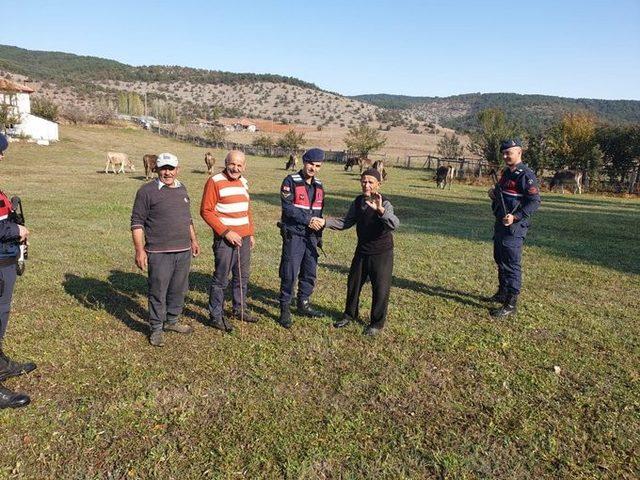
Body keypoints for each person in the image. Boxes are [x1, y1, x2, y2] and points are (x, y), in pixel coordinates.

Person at [131, 152, 201, 346]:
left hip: (183, 250)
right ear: (156, 169)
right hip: (158, 252)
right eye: (164, 168)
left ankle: (172, 321)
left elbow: (188, 219)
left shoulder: (182, 189)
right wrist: (139, 250)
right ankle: (156, 328)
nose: (168, 172)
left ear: (178, 169)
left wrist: (193, 240)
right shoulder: (146, 191)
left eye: (171, 168)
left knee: (178, 289)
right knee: (158, 290)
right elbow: (137, 223)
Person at [320, 168, 399, 336]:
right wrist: (324, 222)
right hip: (362, 251)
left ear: (379, 184)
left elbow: (394, 224)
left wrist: (380, 210)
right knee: (353, 284)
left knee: (381, 288)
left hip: (382, 253)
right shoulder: (358, 202)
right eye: (364, 181)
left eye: (371, 182)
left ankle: (376, 324)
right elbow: (346, 222)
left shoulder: (384, 203)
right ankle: (349, 315)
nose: (366, 185)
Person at [200, 150, 256, 332]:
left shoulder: (244, 182)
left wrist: (250, 233)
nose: (235, 168)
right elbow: (206, 211)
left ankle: (239, 309)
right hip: (225, 239)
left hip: (244, 238)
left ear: (244, 167)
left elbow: (246, 209)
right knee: (221, 279)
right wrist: (226, 232)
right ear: (225, 163)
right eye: (232, 164)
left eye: (239, 165)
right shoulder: (214, 181)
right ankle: (215, 315)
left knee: (242, 276)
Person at [0, 133, 36, 409]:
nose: (2, 156)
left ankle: (1, 363)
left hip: (5, 261)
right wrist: (16, 230)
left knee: (2, 313)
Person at [488, 139, 541, 317]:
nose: (505, 156)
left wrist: (515, 216)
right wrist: (494, 195)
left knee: (511, 264)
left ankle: (511, 303)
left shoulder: (525, 174)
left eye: (508, 153)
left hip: (514, 227)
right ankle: (502, 292)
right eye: (503, 153)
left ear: (519, 153)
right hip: (501, 223)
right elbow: (505, 196)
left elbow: (534, 202)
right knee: (500, 258)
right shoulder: (506, 173)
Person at [277, 147, 326, 328]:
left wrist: (319, 235)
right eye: (311, 164)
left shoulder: (320, 186)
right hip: (294, 235)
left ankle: (303, 303)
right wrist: (308, 221)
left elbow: (320, 212)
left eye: (317, 165)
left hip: (312, 236)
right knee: (289, 272)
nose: (313, 168)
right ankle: (284, 308)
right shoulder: (290, 181)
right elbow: (288, 209)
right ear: (304, 162)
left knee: (309, 271)